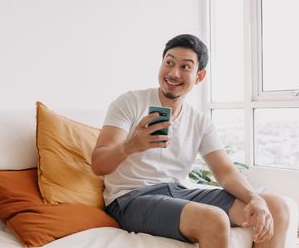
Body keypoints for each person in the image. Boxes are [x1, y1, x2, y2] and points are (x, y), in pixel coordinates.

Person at [91, 34, 289, 248]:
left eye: (185, 67)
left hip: (177, 192)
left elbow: (226, 172)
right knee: (213, 219)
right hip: (130, 198)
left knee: (276, 207)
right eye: (169, 62)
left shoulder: (199, 121)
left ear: (199, 76)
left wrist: (254, 198)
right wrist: (130, 146)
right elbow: (98, 164)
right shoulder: (129, 103)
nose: (173, 73)